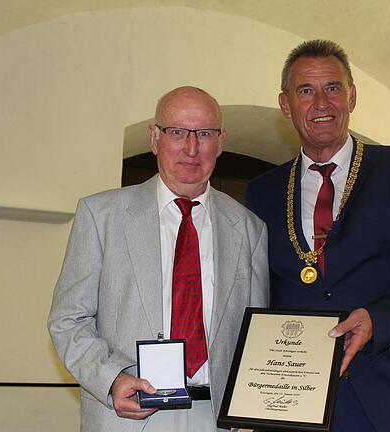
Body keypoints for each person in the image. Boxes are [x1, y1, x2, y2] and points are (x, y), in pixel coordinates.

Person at [246, 40, 390, 432]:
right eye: (305, 91)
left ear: (352, 96)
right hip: (291, 404)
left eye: (333, 87)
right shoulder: (262, 191)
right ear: (285, 105)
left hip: (389, 401)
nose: (321, 103)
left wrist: (378, 319)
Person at [48, 86, 269, 431]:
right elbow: (68, 319)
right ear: (154, 138)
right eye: (177, 132)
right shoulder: (101, 215)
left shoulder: (249, 229)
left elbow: (256, 335)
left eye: (205, 134)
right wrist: (112, 379)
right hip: (129, 414)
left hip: (216, 418)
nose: (191, 148)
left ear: (220, 141)